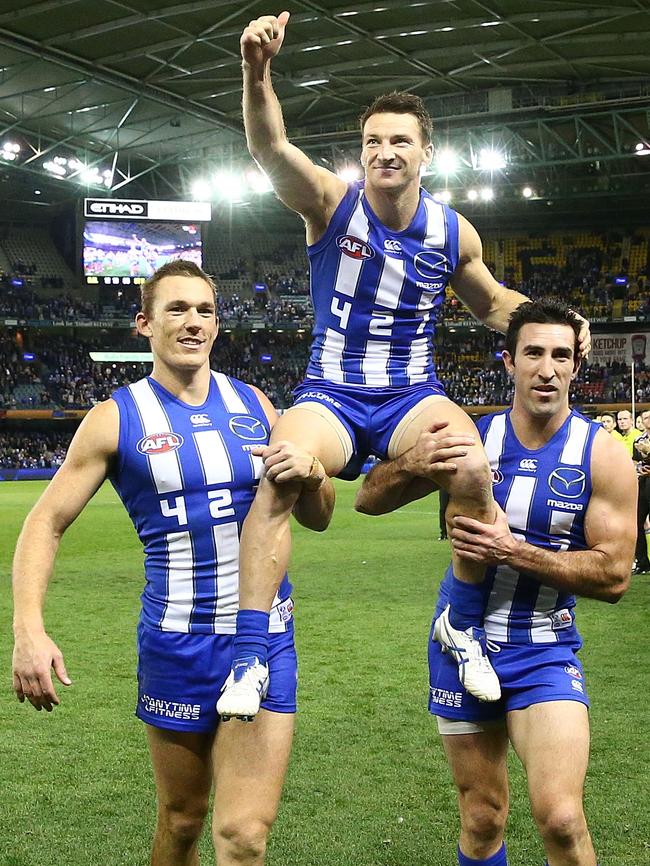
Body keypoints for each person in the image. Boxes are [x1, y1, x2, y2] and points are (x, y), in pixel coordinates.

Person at [217, 11, 591, 719]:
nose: (385, 152)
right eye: (372, 142)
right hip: (330, 390)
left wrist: (564, 321)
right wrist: (256, 71)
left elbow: (494, 305)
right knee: (275, 473)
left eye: (399, 141)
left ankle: (462, 621)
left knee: (475, 463)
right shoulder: (332, 203)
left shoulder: (453, 232)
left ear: (426, 152)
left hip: (409, 395)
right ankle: (249, 657)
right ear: (361, 154)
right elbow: (269, 147)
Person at [12, 260, 335, 866]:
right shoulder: (115, 417)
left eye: (205, 310)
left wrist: (314, 474)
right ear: (144, 324)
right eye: (177, 310)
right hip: (176, 643)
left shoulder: (257, 404)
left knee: (243, 836)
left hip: (261, 640)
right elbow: (45, 522)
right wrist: (28, 629)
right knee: (183, 819)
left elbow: (319, 515)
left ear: (217, 326)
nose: (193, 322)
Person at [355, 300, 635, 866]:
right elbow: (367, 498)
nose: (547, 369)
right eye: (533, 353)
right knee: (483, 818)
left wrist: (513, 551)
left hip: (544, 647)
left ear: (577, 366)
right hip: (461, 641)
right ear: (509, 362)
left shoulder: (601, 455)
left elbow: (613, 574)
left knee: (561, 818)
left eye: (561, 355)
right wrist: (413, 462)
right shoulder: (473, 440)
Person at [632, 408, 650, 574]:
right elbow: (635, 461)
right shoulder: (639, 439)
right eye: (646, 417)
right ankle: (642, 563)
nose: (648, 419)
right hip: (643, 482)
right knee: (636, 522)